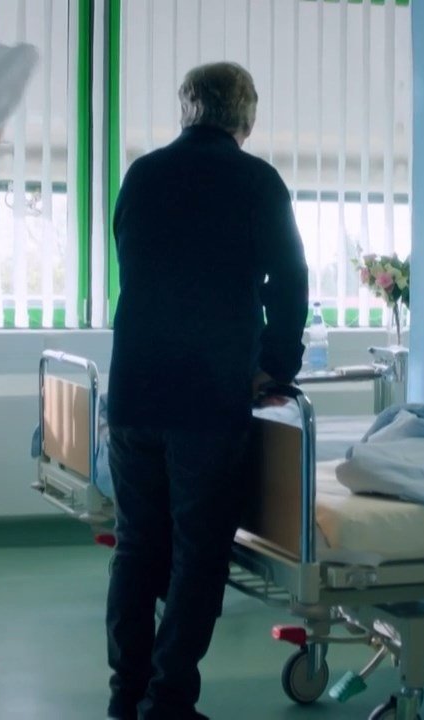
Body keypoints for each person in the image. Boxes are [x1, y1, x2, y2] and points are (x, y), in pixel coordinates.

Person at [105, 62, 309, 719]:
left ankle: (126, 693)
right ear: (246, 115)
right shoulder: (257, 182)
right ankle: (168, 699)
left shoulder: (142, 174)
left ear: (186, 108)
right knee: (198, 554)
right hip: (206, 394)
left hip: (135, 388)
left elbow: (135, 264)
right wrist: (276, 367)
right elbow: (291, 282)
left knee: (138, 547)